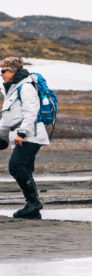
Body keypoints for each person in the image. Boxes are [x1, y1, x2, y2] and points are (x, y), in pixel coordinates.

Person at [1, 57, 50, 219]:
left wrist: (22, 133)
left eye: (4, 71)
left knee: (16, 167)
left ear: (13, 71)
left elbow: (31, 111)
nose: (1, 74)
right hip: (21, 135)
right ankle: (33, 207)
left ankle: (33, 203)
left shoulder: (25, 87)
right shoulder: (12, 89)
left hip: (31, 135)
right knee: (24, 169)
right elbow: (9, 117)